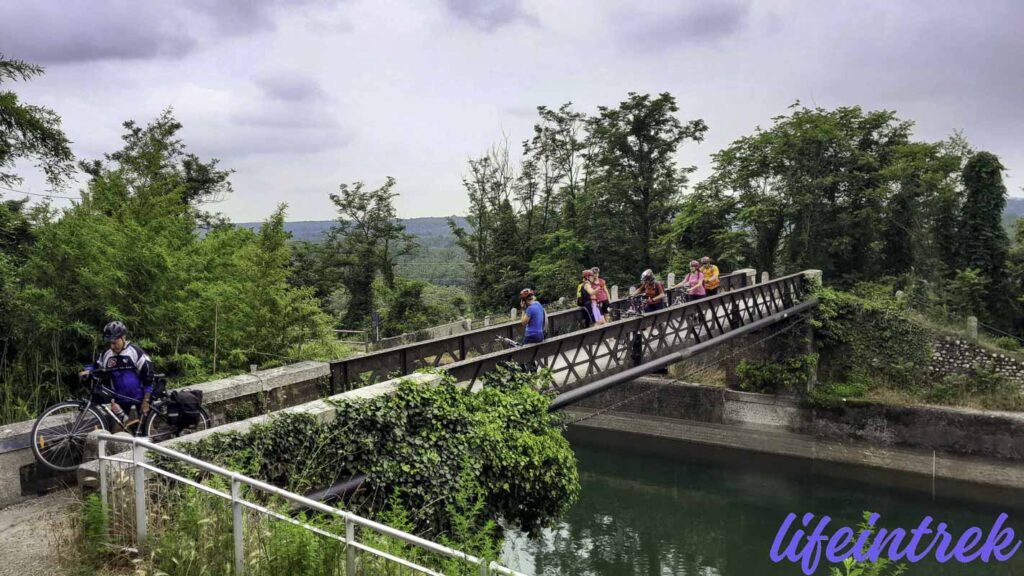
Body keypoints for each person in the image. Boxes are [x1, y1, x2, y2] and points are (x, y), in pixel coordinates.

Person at [79, 321, 155, 421]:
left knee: (148, 429)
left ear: (123, 337)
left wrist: (146, 401)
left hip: (139, 398)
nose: (112, 346)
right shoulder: (107, 354)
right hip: (120, 401)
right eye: (110, 343)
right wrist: (87, 370)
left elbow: (148, 376)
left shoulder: (136, 352)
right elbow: (96, 366)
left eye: (114, 342)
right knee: (122, 433)